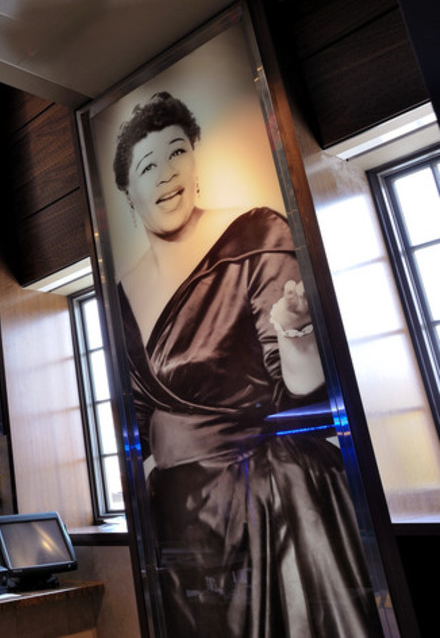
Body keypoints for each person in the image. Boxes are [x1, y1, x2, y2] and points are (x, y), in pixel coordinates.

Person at [111, 92, 380, 637]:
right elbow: (133, 421)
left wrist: (296, 329)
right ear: (128, 194)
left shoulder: (256, 235)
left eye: (177, 152)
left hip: (268, 501)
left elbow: (302, 391)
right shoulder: (120, 293)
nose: (167, 173)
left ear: (196, 162)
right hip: (182, 522)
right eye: (148, 166)